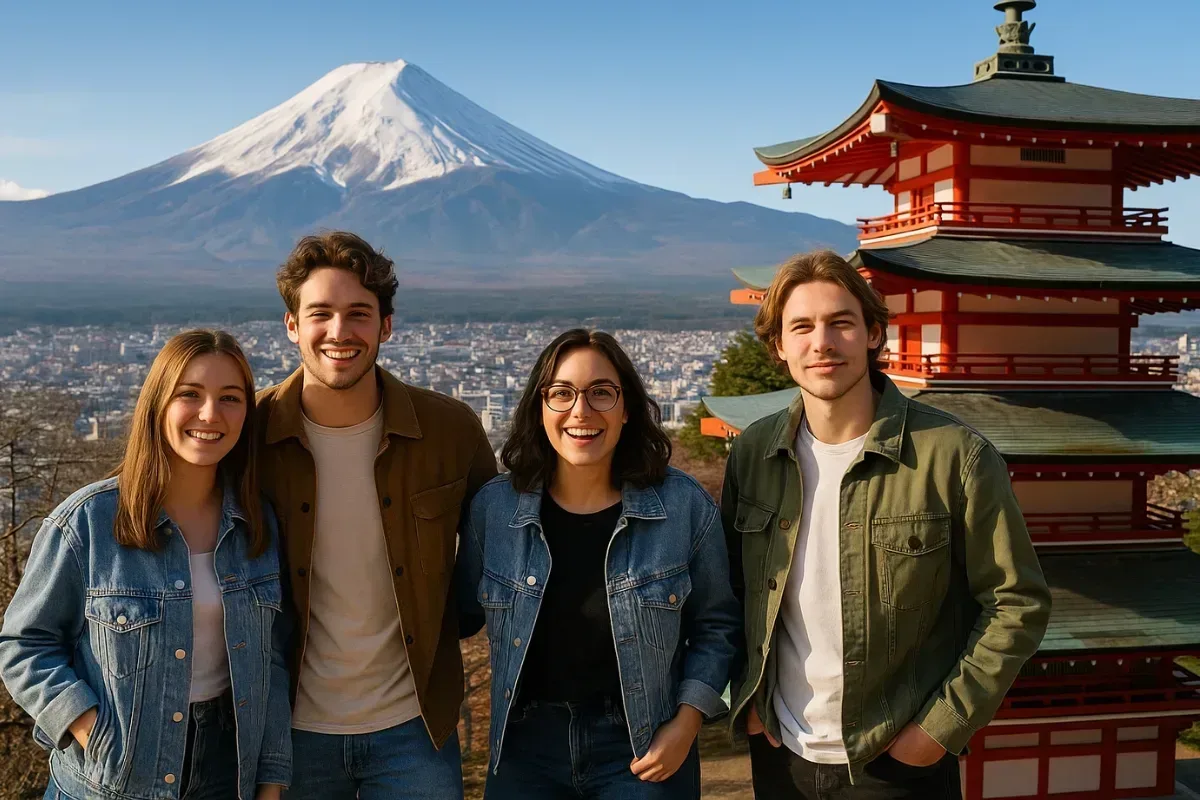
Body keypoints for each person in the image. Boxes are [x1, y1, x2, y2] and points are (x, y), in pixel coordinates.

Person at [721, 250, 1051, 799]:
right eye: (801, 327)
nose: (822, 343)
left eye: (841, 323)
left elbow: (1016, 601)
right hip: (781, 751)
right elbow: (731, 588)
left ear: (874, 334)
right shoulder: (755, 453)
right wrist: (748, 699)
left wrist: (938, 729)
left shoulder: (952, 456)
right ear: (779, 345)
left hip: (897, 757)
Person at [256, 231, 497, 799]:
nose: (339, 331)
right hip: (286, 729)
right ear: (291, 325)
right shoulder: (249, 434)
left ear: (386, 326)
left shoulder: (449, 432)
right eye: (320, 313)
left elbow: (495, 547)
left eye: (358, 314)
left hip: (416, 726)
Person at [0, 330, 291, 800]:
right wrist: (90, 729)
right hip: (110, 781)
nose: (210, 414)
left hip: (227, 771)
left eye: (230, 398)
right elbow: (23, 645)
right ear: (157, 404)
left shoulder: (257, 525)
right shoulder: (89, 522)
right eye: (189, 394)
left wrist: (271, 780)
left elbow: (272, 662)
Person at [457, 328, 739, 799]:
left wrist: (687, 723)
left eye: (601, 393)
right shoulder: (495, 510)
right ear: (539, 407)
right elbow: (457, 615)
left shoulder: (681, 507)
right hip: (525, 748)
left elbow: (718, 625)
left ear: (627, 408)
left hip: (643, 743)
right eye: (561, 393)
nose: (581, 411)